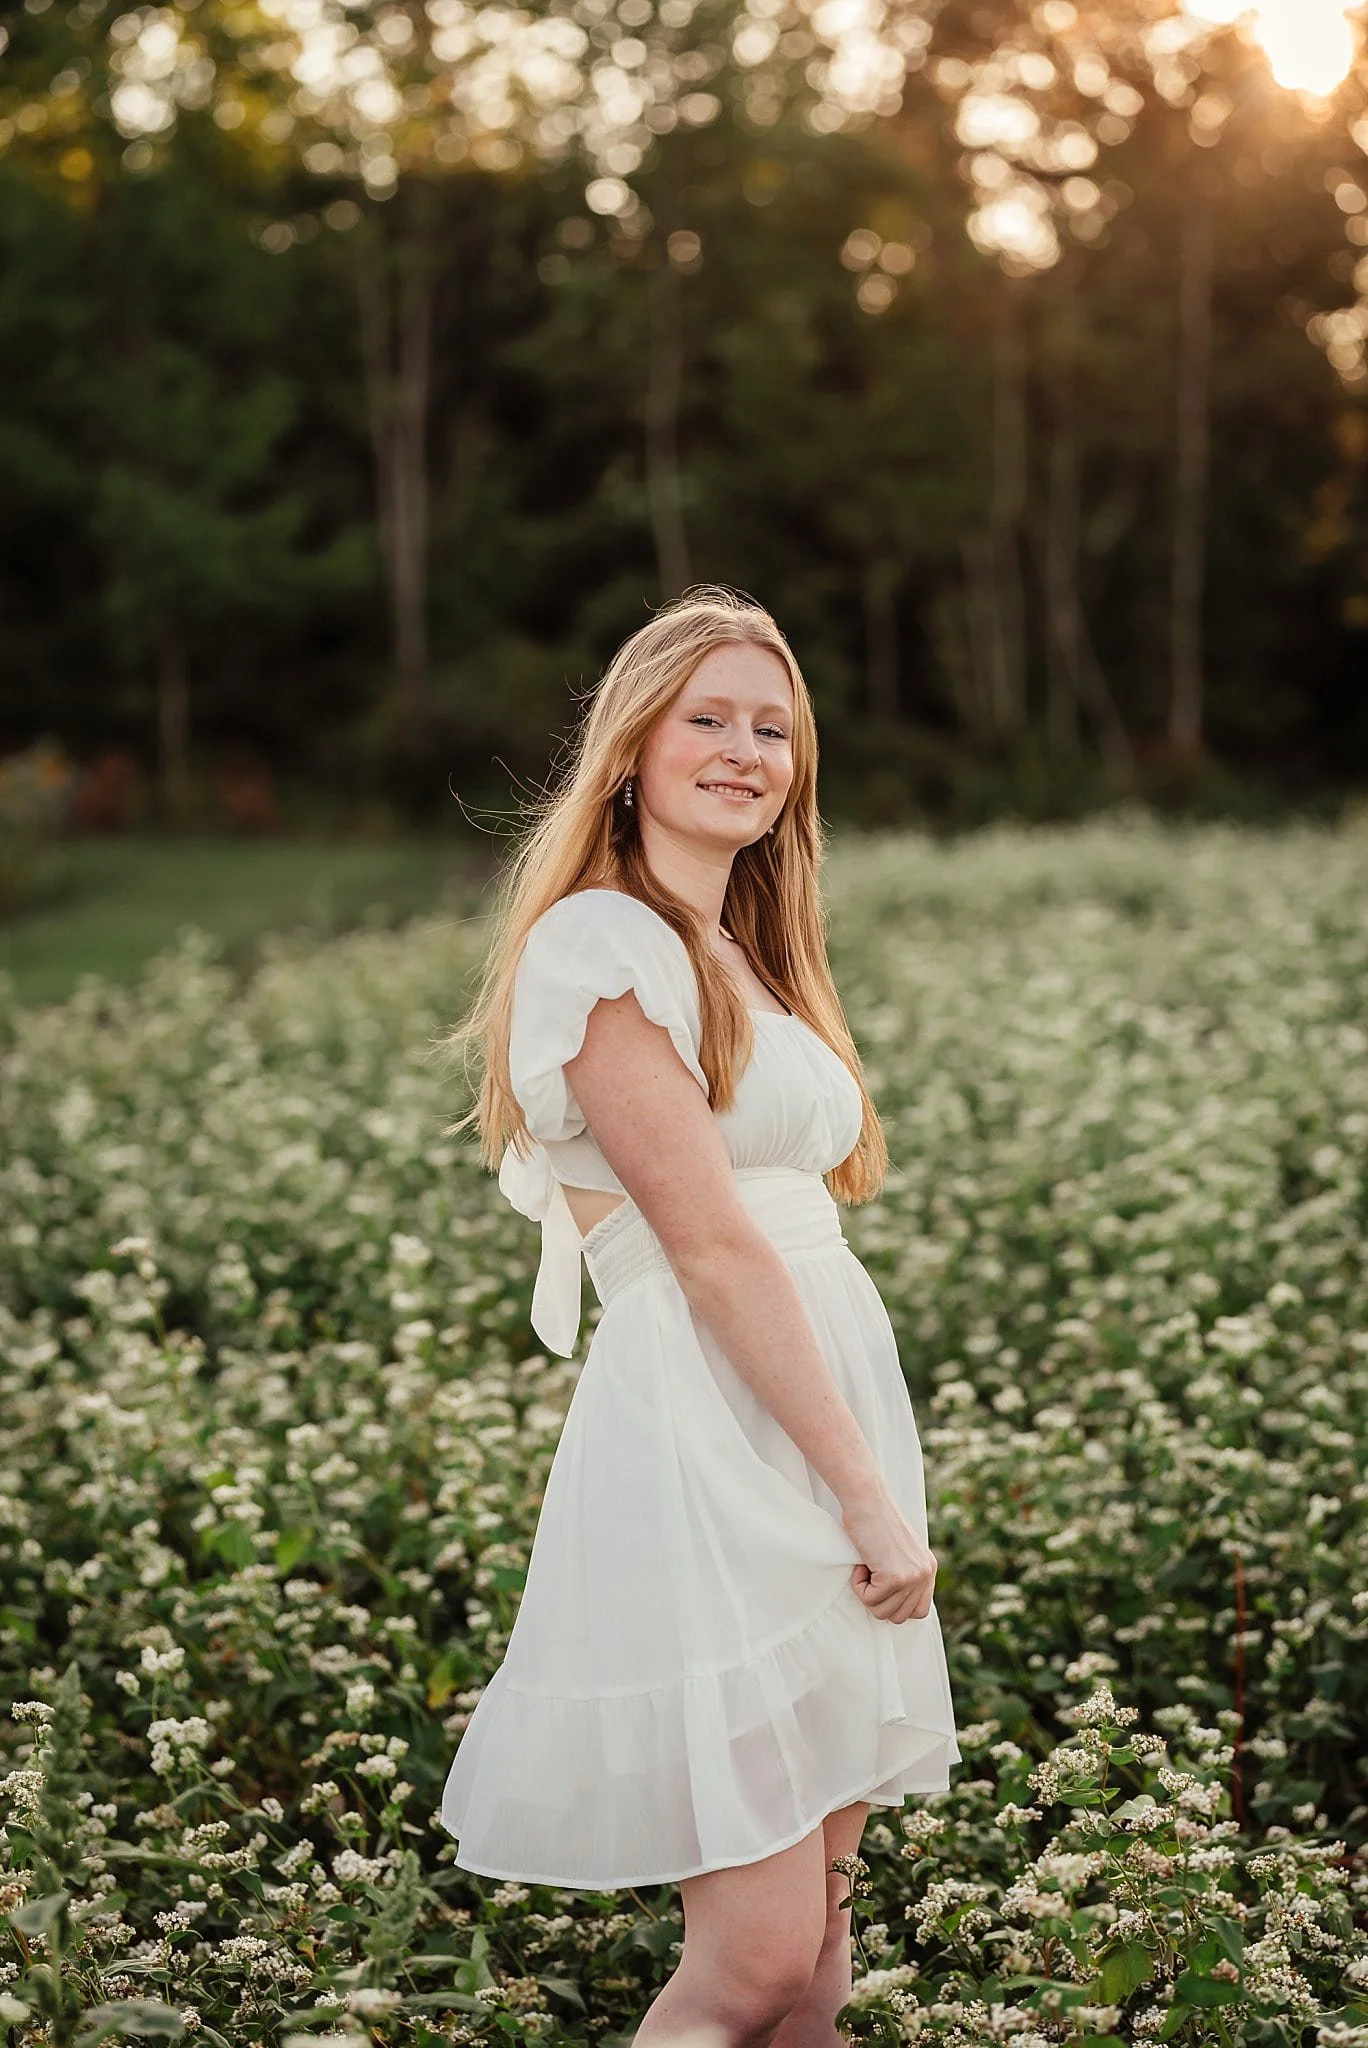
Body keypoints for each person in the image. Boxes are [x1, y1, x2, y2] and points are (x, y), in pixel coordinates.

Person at [441, 586, 961, 2045]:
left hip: (812, 1411)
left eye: (772, 727)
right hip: (715, 1441)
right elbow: (717, 1252)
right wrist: (868, 1495)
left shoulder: (748, 948)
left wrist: (860, 1469)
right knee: (750, 1959)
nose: (745, 749)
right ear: (630, 749)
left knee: (819, 1966)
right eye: (709, 719)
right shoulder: (600, 948)